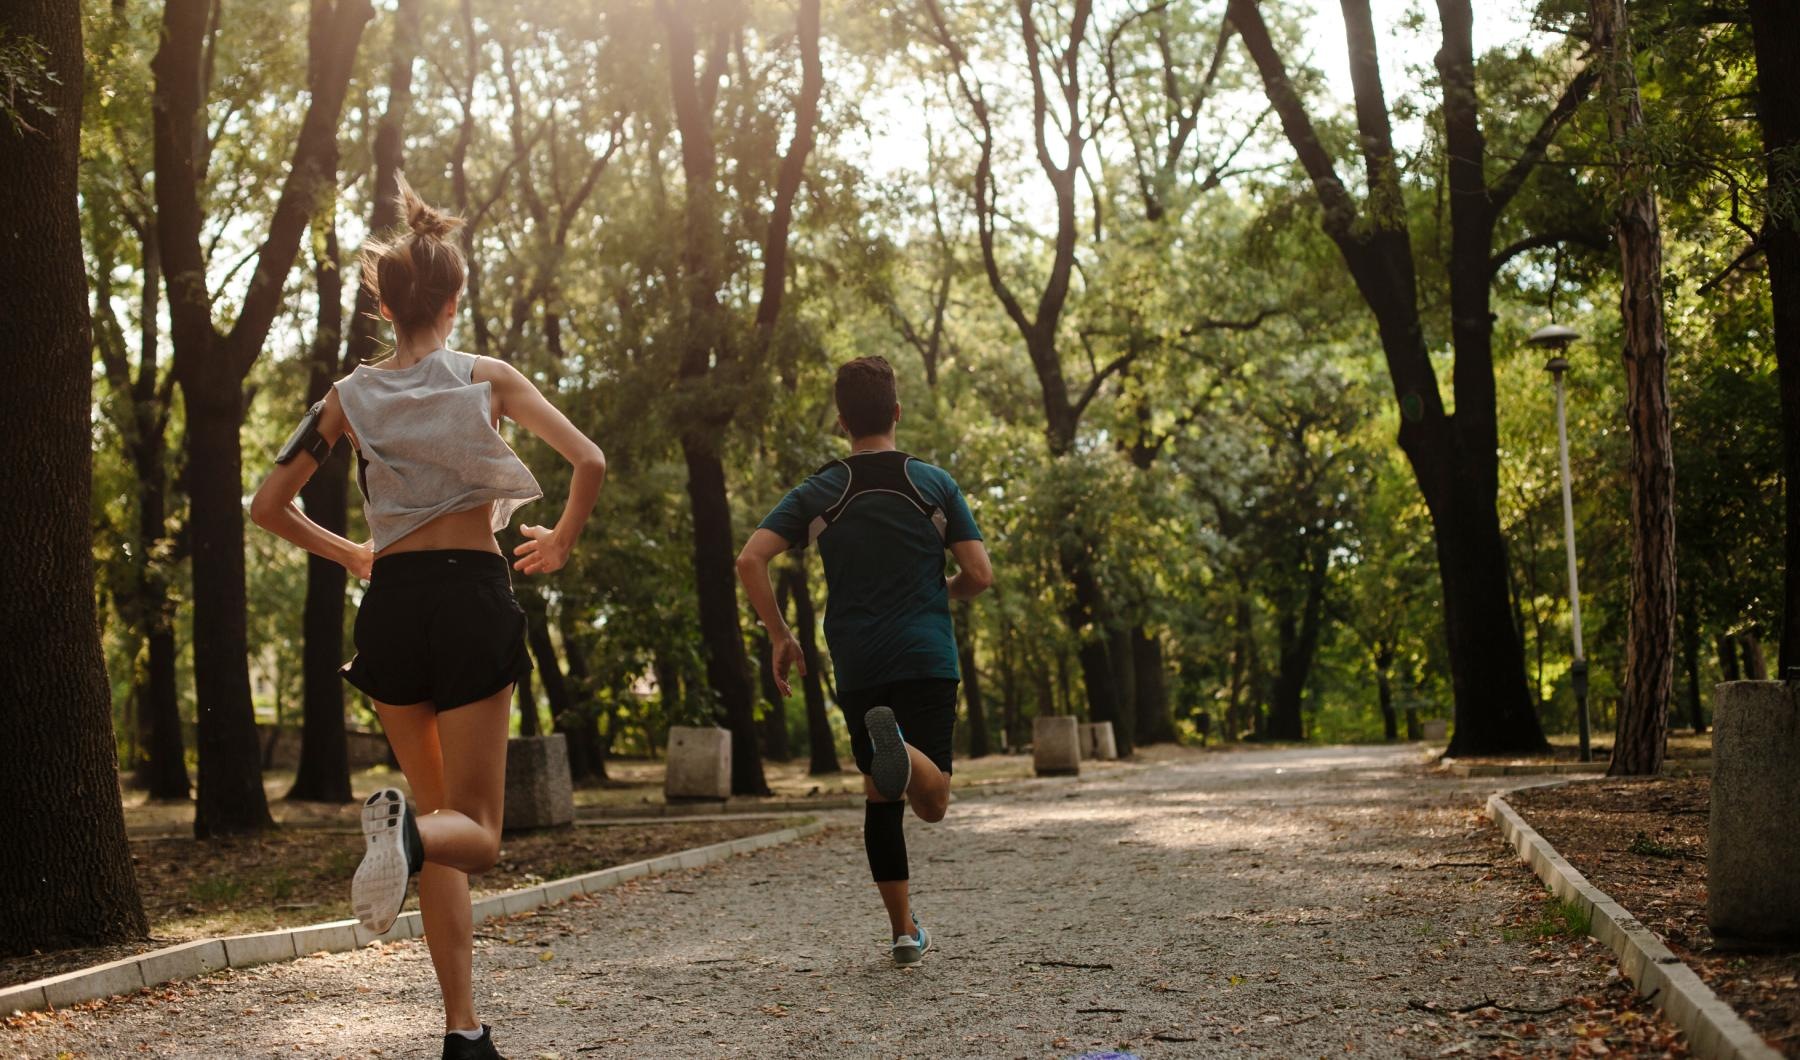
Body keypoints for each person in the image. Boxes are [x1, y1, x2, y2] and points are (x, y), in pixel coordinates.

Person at [250, 175, 605, 1060]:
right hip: (472, 599)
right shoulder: (488, 379)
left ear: (384, 299)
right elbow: (589, 458)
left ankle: (463, 1029)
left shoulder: (348, 397)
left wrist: (353, 554)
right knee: (472, 831)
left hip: (393, 609)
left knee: (442, 817)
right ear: (454, 299)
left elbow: (268, 503)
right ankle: (400, 834)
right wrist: (559, 536)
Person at [736, 355, 993, 967]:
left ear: (841, 421)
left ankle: (904, 932)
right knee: (932, 805)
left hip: (859, 661)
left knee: (882, 796)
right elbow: (979, 575)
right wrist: (939, 590)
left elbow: (749, 560)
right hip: (927, 655)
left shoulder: (820, 490)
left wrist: (780, 635)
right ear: (897, 413)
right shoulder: (935, 484)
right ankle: (902, 751)